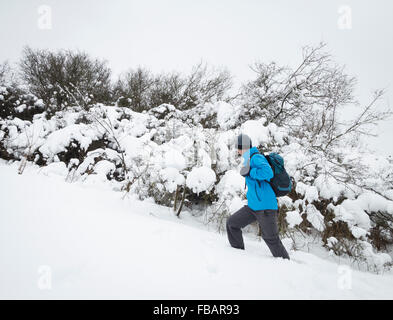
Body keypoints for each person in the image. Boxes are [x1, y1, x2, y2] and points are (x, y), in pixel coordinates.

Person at [226, 133, 290, 260]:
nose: (237, 151)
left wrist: (251, 171)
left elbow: (268, 172)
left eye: (238, 148)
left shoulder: (256, 157)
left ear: (243, 147)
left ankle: (285, 264)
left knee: (271, 238)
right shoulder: (249, 159)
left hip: (265, 206)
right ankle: (237, 254)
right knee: (232, 223)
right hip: (253, 206)